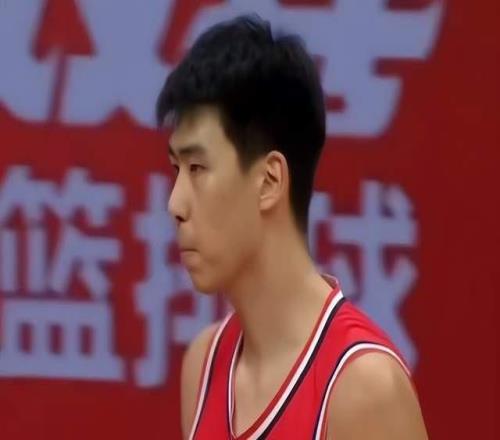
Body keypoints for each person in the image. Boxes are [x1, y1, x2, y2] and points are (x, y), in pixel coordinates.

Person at [156, 14, 428, 440]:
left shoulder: (363, 389)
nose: (175, 204)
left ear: (269, 181)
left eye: (197, 168)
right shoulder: (204, 365)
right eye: (176, 169)